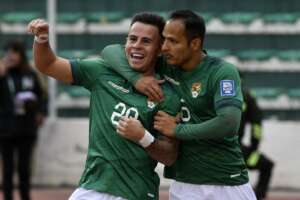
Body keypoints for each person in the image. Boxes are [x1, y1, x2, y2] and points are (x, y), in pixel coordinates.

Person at [101, 10, 257, 200]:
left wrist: (177, 130)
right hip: (184, 185)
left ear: (195, 44)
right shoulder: (166, 66)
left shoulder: (222, 72)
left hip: (225, 182)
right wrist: (136, 80)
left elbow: (229, 123)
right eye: (164, 40)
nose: (164, 47)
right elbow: (110, 51)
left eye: (173, 41)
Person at [27, 12, 181, 200]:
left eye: (146, 41)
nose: (136, 46)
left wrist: (144, 137)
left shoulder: (167, 95)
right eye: (132, 39)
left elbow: (169, 156)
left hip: (135, 193)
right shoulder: (102, 72)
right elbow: (48, 64)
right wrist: (42, 38)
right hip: (91, 188)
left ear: (159, 49)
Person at [0, 40, 46, 200]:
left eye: (14, 52)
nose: (10, 56)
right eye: (8, 53)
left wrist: (41, 111)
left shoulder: (30, 74)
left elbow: (42, 96)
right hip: (5, 130)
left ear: (21, 55)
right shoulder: (2, 75)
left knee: (24, 169)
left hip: (26, 129)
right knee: (7, 169)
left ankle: (25, 197)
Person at [239, 86, 275, 200]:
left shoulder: (211, 91)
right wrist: (254, 148)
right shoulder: (246, 95)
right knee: (267, 165)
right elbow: (256, 126)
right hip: (235, 149)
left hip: (209, 149)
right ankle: (257, 197)